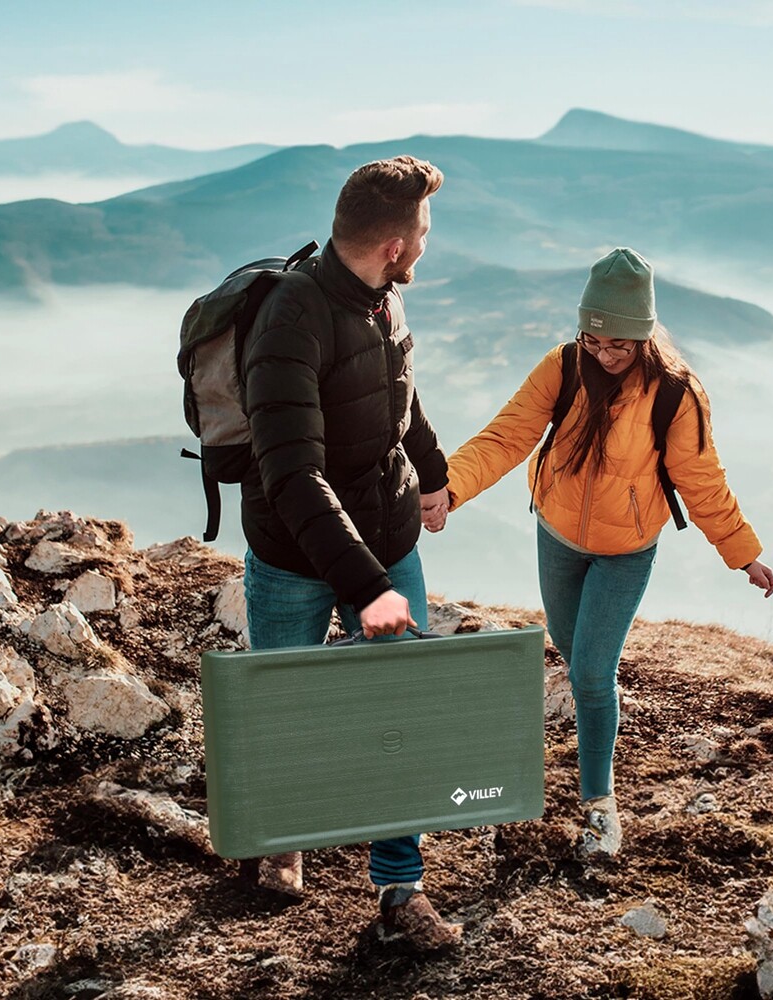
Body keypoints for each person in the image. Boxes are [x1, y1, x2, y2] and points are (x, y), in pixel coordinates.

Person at [422, 247, 773, 859]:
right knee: (570, 647)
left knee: (589, 671)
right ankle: (599, 722)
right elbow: (508, 435)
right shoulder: (562, 367)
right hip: (556, 535)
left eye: (618, 345)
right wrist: (450, 488)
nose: (605, 355)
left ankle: (599, 802)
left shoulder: (675, 393)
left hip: (626, 551)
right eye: (594, 340)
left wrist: (741, 552)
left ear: (644, 337)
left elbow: (701, 479)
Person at [240, 155, 462, 949]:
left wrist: (431, 478)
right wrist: (369, 588)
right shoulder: (291, 320)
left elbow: (398, 393)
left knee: (397, 713)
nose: (428, 246)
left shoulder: (382, 300)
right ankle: (280, 845)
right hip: (295, 553)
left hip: (388, 531)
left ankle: (401, 892)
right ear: (396, 246)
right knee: (286, 705)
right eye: (425, 233)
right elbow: (292, 475)